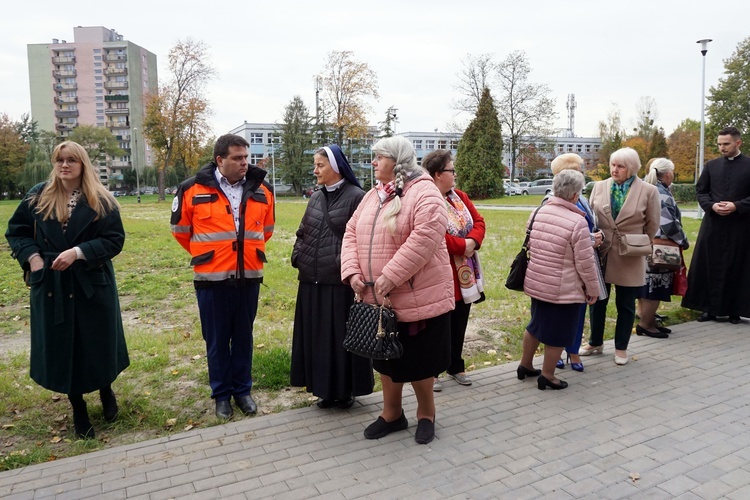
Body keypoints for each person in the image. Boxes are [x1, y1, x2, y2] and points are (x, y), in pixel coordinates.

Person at [5, 141, 129, 439]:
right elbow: (17, 232)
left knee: (96, 343)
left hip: (91, 284)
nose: (64, 165)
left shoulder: (100, 199)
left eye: (71, 160)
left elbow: (114, 240)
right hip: (52, 285)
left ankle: (106, 390)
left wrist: (79, 252)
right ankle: (78, 408)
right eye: (59, 160)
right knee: (65, 347)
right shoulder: (38, 195)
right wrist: (32, 258)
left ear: (82, 163)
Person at [341, 136, 454, 445]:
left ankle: (426, 414)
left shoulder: (425, 192)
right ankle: (392, 414)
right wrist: (351, 271)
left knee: (418, 362)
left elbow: (424, 240)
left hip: (414, 295)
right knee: (385, 359)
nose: (374, 162)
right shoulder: (373, 195)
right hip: (377, 298)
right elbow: (351, 232)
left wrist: (388, 278)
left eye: (379, 157)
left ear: (397, 161)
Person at [171, 134, 275, 419]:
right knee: (216, 340)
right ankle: (221, 395)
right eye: (238, 158)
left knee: (243, 336)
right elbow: (181, 232)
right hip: (211, 279)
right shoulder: (191, 189)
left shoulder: (263, 189)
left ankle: (242, 391)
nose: (245, 163)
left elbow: (267, 229)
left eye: (247, 157)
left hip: (249, 276)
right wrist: (210, 254)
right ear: (220, 160)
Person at [290, 144, 373, 408]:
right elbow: (302, 232)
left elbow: (363, 240)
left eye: (320, 165)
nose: (315, 170)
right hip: (311, 281)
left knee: (339, 341)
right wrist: (297, 257)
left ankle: (344, 391)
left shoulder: (356, 196)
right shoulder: (315, 197)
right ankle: (323, 390)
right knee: (318, 339)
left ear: (335, 167)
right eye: (315, 165)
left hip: (339, 283)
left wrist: (348, 268)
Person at [517, 169, 601, 390]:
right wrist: (593, 289)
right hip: (564, 289)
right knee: (559, 333)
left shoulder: (539, 212)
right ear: (575, 195)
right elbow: (585, 263)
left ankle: (525, 365)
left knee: (535, 325)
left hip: (537, 282)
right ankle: (548, 375)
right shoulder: (577, 222)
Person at [580, 147, 660, 365]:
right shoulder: (598, 186)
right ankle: (595, 341)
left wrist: (637, 242)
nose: (615, 170)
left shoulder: (648, 191)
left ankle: (621, 347)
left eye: (620, 166)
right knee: (597, 300)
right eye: (613, 165)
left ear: (631, 168)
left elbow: (652, 225)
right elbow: (591, 217)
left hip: (629, 254)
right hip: (602, 251)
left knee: (625, 303)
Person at [421, 149, 485, 392]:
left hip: (464, 275)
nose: (455, 174)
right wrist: (464, 245)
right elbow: (434, 235)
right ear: (438, 174)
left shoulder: (460, 197)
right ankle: (432, 371)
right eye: (451, 170)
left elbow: (479, 222)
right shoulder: (426, 199)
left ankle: (455, 365)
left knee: (460, 320)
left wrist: (473, 242)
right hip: (440, 272)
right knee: (437, 324)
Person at [682, 126, 750, 324]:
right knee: (709, 266)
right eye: (719, 144)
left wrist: (736, 206)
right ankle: (708, 309)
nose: (722, 148)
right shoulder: (711, 166)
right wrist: (712, 206)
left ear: (738, 143)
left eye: (726, 144)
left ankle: (734, 310)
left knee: (737, 266)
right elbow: (701, 191)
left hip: (741, 226)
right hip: (713, 225)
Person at [544, 153, 605, 372]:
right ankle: (555, 352)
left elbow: (591, 226)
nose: (583, 172)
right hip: (562, 267)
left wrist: (599, 237)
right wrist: (590, 239)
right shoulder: (550, 199)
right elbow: (558, 232)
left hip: (584, 262)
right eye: (579, 168)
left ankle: (573, 351)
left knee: (579, 312)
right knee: (557, 314)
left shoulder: (583, 200)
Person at [636, 159, 689, 337]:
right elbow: (668, 224)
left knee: (646, 285)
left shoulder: (642, 187)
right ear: (668, 174)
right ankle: (645, 325)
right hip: (661, 247)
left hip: (644, 243)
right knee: (657, 286)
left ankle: (649, 322)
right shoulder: (661, 193)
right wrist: (683, 240)